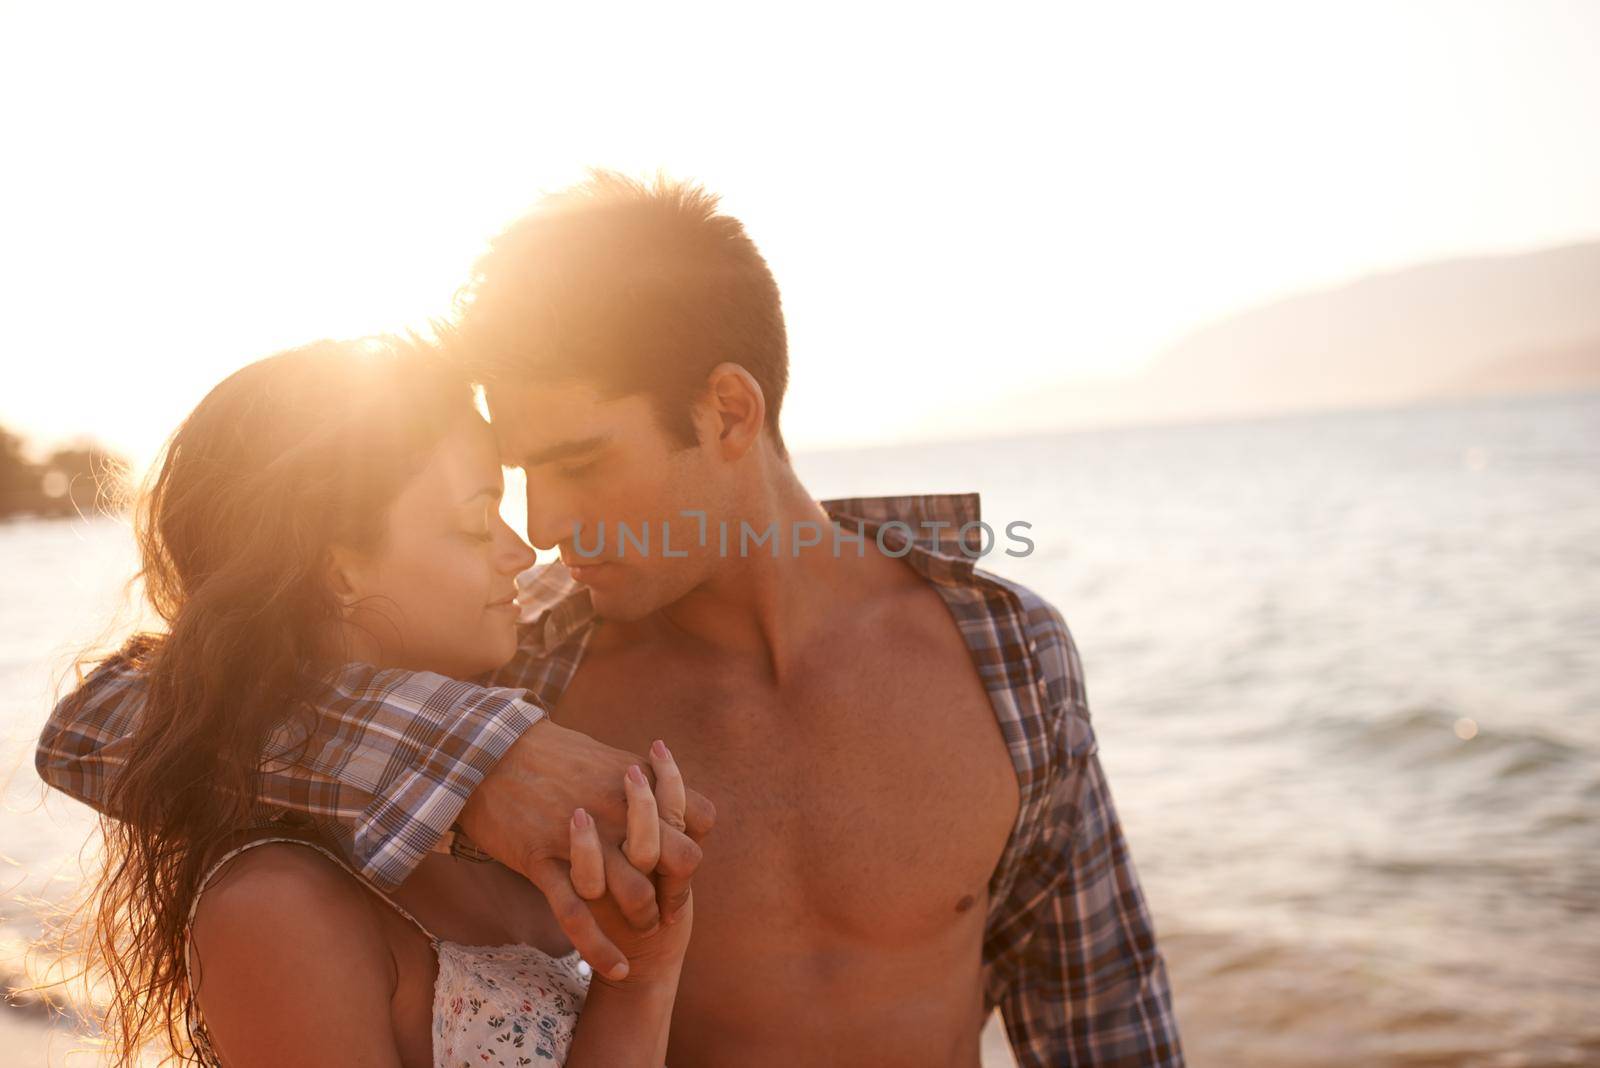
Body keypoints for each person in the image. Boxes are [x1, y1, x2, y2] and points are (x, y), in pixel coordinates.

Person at [41, 172, 1184, 1067]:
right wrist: (481, 760)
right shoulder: (525, 666)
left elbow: (1104, 1019)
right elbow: (98, 726)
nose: (542, 524)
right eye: (519, 473)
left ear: (727, 411)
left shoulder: (1004, 654)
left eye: (581, 462)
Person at [48, 341, 702, 1066]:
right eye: (476, 520)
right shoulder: (278, 904)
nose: (525, 551)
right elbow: (84, 725)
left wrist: (643, 971)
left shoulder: (507, 792)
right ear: (339, 571)